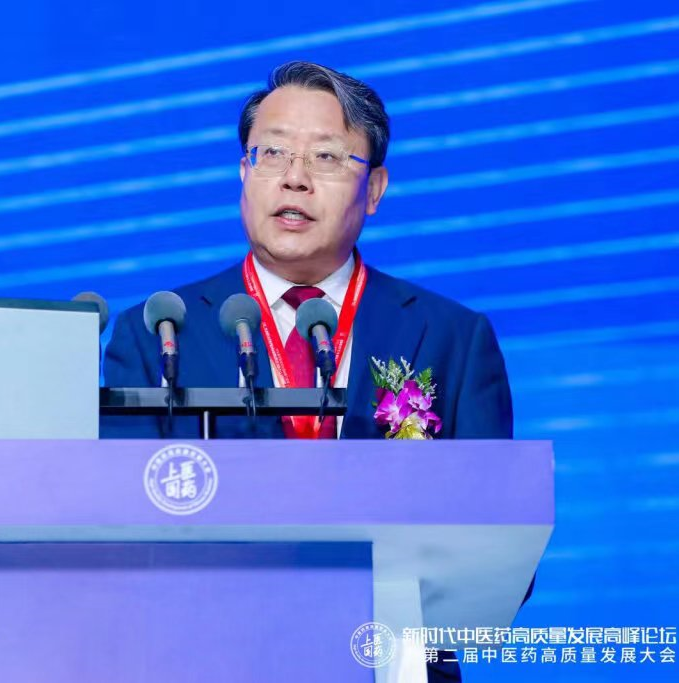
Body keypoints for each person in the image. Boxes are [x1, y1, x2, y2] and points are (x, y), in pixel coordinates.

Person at [103, 62, 518, 681]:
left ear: (374, 189)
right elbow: (114, 530)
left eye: (325, 157)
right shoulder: (158, 333)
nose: (293, 178)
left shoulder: (451, 338)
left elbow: (497, 544)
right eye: (271, 153)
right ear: (243, 172)